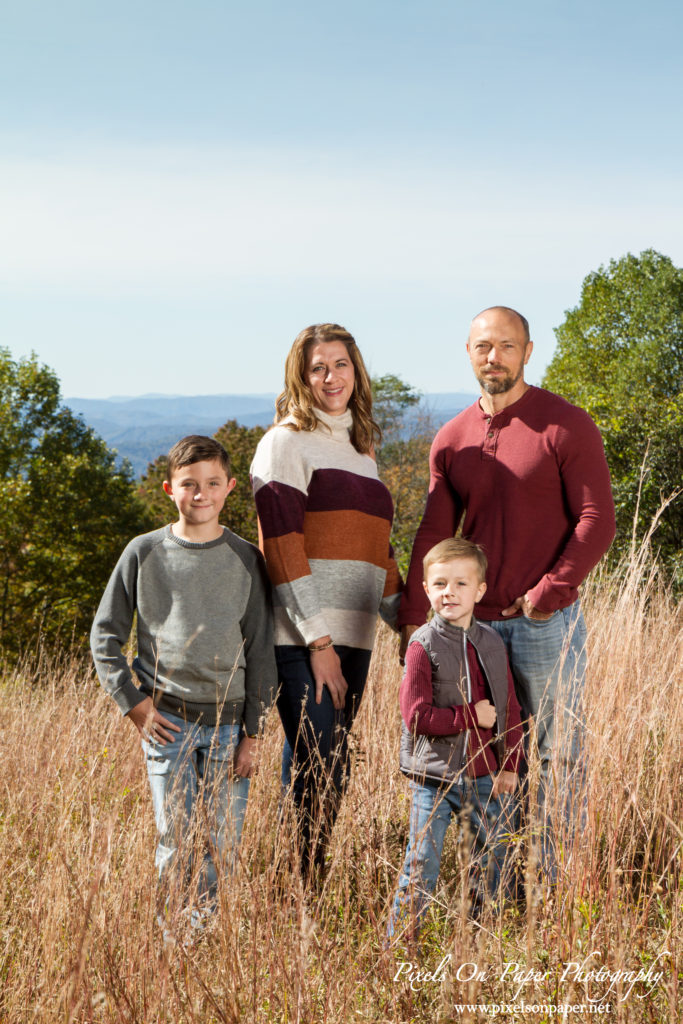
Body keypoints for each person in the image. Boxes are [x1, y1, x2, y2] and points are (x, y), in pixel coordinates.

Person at [398, 306, 615, 874]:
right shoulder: (452, 438)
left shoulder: (565, 424)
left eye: (506, 346)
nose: (493, 357)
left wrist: (549, 592)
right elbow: (434, 532)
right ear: (469, 353)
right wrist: (415, 617)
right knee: (487, 754)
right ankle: (499, 886)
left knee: (559, 755)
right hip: (472, 630)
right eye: (482, 347)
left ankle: (555, 883)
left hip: (545, 625)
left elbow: (597, 520)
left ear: (527, 351)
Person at [91, 435, 277, 937]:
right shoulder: (144, 552)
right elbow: (104, 635)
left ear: (229, 488)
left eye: (213, 484)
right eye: (189, 485)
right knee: (174, 835)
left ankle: (210, 933)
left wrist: (253, 733)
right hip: (166, 721)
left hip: (227, 723)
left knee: (223, 838)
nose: (201, 494)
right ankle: (174, 936)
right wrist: (134, 705)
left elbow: (261, 651)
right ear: (169, 488)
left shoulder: (245, 559)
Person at [251, 323, 402, 884]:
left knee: (327, 764)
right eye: (318, 368)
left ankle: (304, 877)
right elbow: (283, 548)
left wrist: (409, 624)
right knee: (319, 763)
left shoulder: (362, 451)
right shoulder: (285, 443)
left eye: (340, 365)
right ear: (301, 376)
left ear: (356, 371)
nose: (331, 377)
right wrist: (317, 642)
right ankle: (306, 884)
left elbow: (377, 553)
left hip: (356, 636)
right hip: (303, 638)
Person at [388, 537, 523, 938]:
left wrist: (510, 766)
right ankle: (401, 947)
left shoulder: (493, 643)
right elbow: (416, 717)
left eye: (462, 584)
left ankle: (480, 944)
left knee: (491, 860)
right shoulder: (422, 646)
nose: (450, 592)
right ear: (426, 589)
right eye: (441, 583)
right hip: (434, 779)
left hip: (485, 776)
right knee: (422, 864)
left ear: (480, 590)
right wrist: (469, 716)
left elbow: (511, 708)